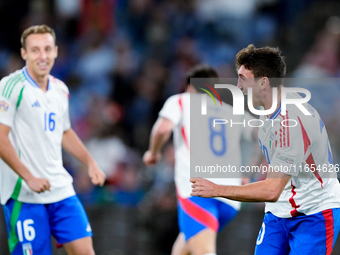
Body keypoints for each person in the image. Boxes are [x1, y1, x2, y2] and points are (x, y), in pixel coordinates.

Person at [190, 44, 340, 255]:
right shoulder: (266, 107)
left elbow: (271, 190)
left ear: (263, 82)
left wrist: (216, 189)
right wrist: (248, 171)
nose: (239, 85)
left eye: (243, 78)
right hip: (279, 211)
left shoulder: (292, 121)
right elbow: (267, 140)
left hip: (314, 212)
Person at [0, 25, 106, 255]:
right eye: (35, 50)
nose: (43, 56)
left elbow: (64, 132)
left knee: (86, 251)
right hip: (24, 193)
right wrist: (29, 177)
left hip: (60, 188)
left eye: (47, 49)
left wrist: (90, 162)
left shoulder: (60, 89)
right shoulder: (11, 87)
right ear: (24, 54)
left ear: (56, 51)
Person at [143, 64, 258, 255]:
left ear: (190, 87)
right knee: (182, 249)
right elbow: (261, 135)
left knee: (203, 251)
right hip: (231, 199)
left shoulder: (182, 101)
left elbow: (162, 129)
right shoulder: (230, 111)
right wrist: (248, 171)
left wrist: (153, 152)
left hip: (199, 194)